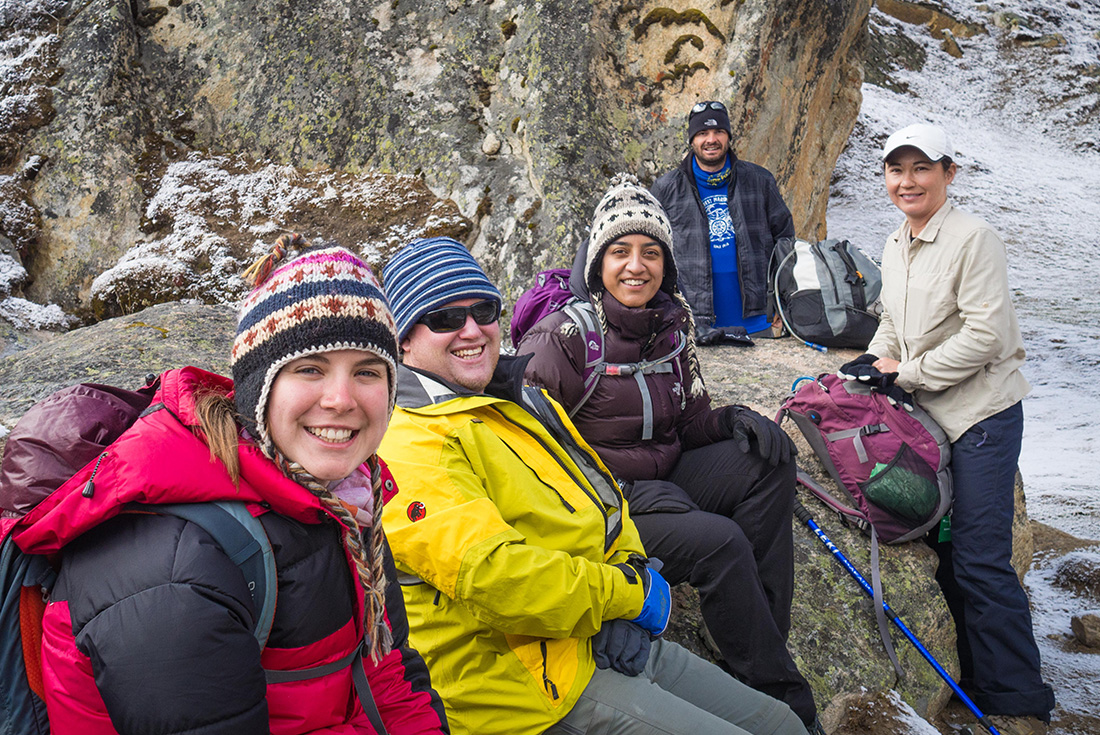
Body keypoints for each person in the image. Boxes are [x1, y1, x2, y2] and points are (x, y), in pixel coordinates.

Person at [5, 235, 449, 734]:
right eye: (310, 369)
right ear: (259, 390)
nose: (341, 399)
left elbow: (389, 675)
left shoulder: (345, 502)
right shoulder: (174, 566)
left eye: (367, 371)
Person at [377, 236, 807, 735]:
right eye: (445, 318)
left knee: (782, 724)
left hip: (596, 636)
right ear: (402, 340)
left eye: (484, 310)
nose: (471, 330)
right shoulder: (409, 443)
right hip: (531, 688)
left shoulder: (518, 402)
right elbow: (497, 577)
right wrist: (628, 596)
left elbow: (604, 503)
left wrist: (631, 570)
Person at [515, 174, 818, 730]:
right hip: (600, 509)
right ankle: (782, 696)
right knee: (720, 542)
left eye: (651, 252)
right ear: (598, 262)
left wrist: (731, 419)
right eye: (621, 251)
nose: (636, 266)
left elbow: (689, 420)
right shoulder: (562, 338)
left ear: (666, 262)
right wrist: (625, 495)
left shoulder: (672, 324)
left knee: (768, 464)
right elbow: (528, 460)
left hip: (662, 476)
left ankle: (757, 640)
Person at [837, 124, 1055, 735]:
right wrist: (872, 361)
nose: (906, 182)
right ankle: (969, 679)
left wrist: (906, 374)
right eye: (895, 170)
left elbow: (986, 336)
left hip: (981, 418)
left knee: (980, 558)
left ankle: (1018, 699)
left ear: (948, 173)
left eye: (920, 168)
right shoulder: (895, 242)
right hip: (929, 417)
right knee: (943, 548)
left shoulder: (973, 239)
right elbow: (891, 322)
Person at [651, 100, 795, 341]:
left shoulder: (759, 181)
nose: (711, 139)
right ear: (692, 140)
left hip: (758, 320)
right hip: (695, 323)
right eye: (702, 133)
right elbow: (652, 250)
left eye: (719, 131)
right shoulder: (667, 188)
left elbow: (785, 240)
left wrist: (784, 301)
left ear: (728, 136)